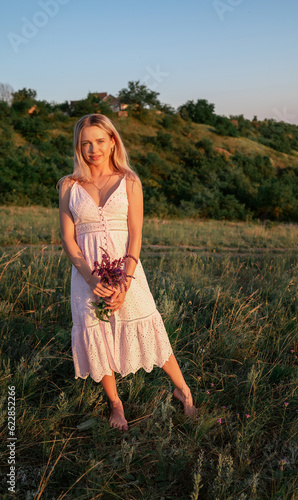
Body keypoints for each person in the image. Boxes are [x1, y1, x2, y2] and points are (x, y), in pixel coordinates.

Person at [58, 113, 196, 431]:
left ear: (112, 142)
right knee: (97, 332)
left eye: (100, 141)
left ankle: (182, 389)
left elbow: (136, 235)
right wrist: (92, 280)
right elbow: (68, 239)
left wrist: (125, 282)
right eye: (85, 143)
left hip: (127, 272)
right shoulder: (69, 185)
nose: (93, 149)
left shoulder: (129, 180)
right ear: (78, 147)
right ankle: (116, 404)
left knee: (148, 325)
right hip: (86, 276)